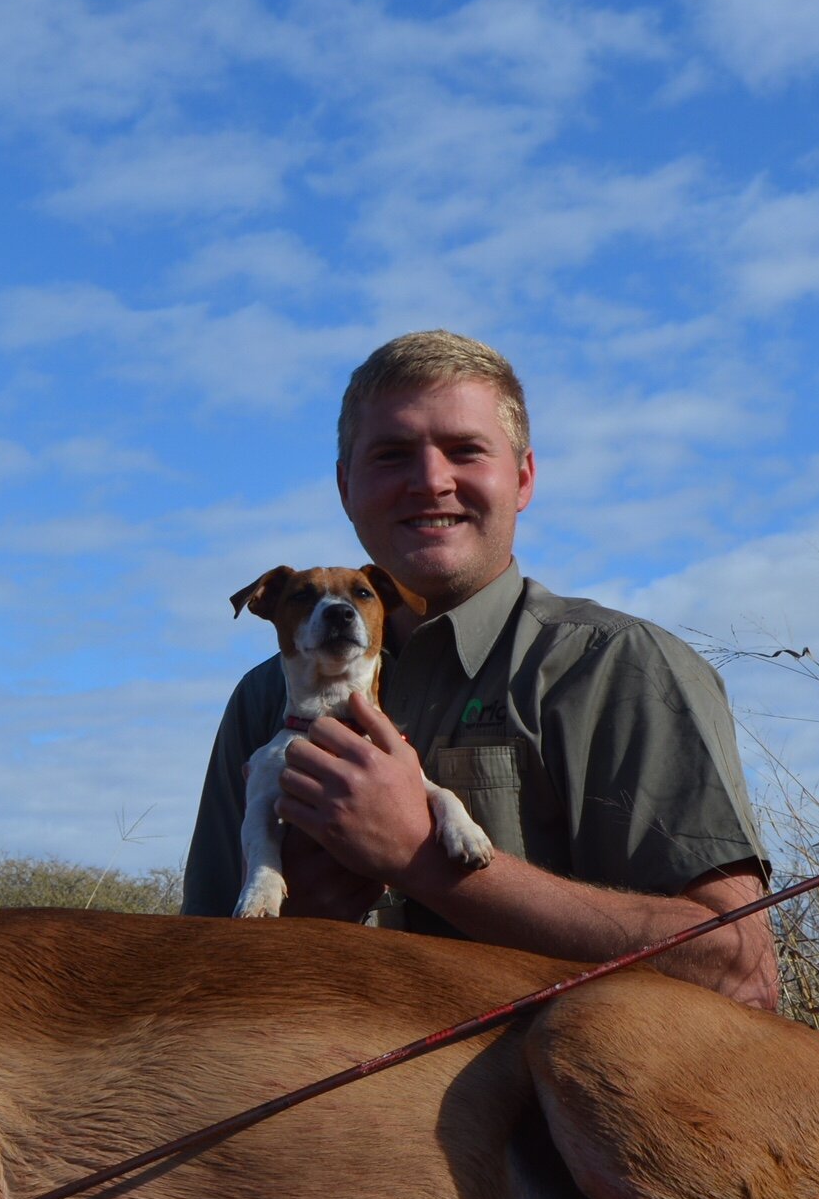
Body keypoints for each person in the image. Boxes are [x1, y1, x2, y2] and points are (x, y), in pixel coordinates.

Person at [182, 331, 779, 1008]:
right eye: (391, 455)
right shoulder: (263, 699)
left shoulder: (620, 666)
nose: (431, 480)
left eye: (465, 450)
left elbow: (738, 972)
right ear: (346, 486)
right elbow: (197, 969)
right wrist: (293, 920)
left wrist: (423, 858)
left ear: (522, 478)